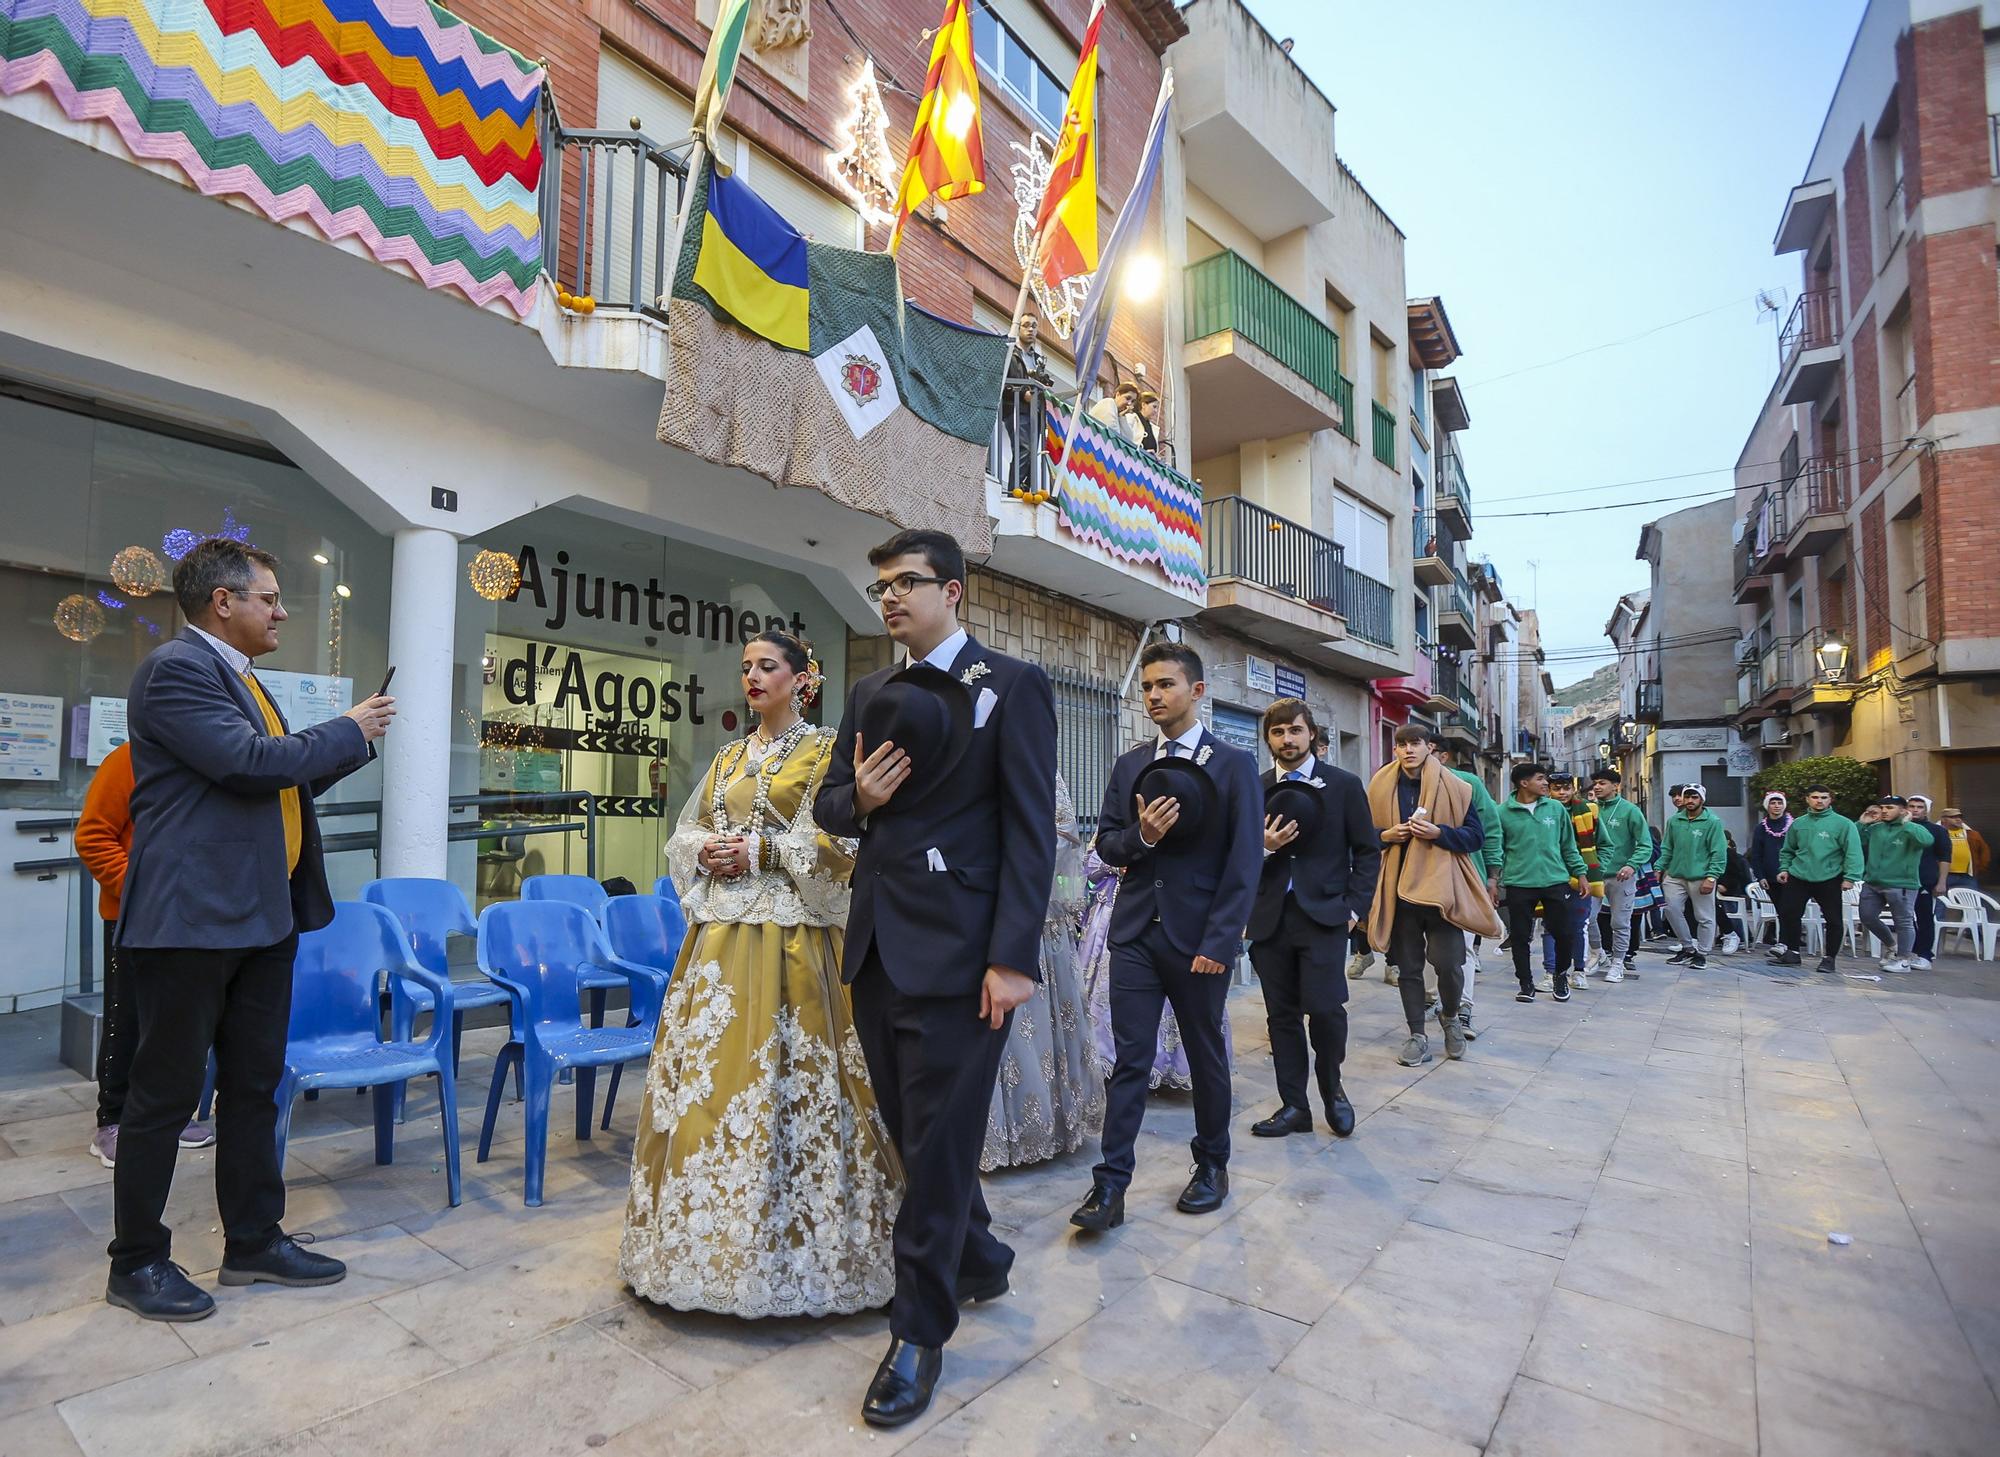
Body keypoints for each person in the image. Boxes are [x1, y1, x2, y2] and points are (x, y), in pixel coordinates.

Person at [107, 538, 392, 1322]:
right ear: (222, 601)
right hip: (190, 920)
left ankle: (254, 1240)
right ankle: (135, 1260)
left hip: (260, 920)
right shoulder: (177, 671)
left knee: (254, 1090)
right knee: (163, 1097)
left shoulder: (243, 680)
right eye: (269, 597)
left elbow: (278, 777)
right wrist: (344, 725)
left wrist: (353, 741)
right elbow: (243, 762)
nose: (282, 609)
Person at [815, 529, 1056, 1429]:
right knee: (920, 1135)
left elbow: (1029, 833)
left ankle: (918, 1331)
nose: (889, 597)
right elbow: (832, 806)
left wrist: (1011, 957)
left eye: (907, 582)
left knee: (942, 1142)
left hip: (964, 959)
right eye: (880, 584)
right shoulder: (870, 691)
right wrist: (863, 801)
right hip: (878, 946)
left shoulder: (1014, 686)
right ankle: (981, 1255)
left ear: (954, 592)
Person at [620, 631, 899, 1317]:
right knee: (708, 1088)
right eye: (745, 667)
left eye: (766, 666)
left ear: (803, 678)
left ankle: (805, 1251)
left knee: (789, 1083)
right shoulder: (727, 755)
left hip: (795, 945)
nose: (752, 676)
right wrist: (706, 848)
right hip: (717, 945)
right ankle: (698, 1249)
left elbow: (844, 842)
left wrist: (763, 849)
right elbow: (681, 832)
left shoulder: (828, 749)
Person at [1073, 643, 1260, 1232]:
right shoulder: (1130, 764)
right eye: (1147, 687)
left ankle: (1212, 1167)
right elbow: (1105, 845)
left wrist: (1221, 941)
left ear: (1196, 692)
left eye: (1165, 686)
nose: (1153, 695)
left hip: (1198, 940)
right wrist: (1142, 838)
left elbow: (1243, 862)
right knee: (1130, 1060)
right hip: (1133, 933)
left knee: (1206, 1057)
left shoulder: (1233, 765)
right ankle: (1110, 1187)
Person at [74, 742, 213, 1168]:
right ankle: (111, 1122)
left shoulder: (206, 758)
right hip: (134, 917)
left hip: (190, 919)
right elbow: (92, 836)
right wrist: (140, 891)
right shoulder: (127, 760)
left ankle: (168, 1117)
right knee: (128, 1021)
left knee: (176, 1027)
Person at [1247, 699, 1378, 1136]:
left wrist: (1355, 909)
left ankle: (1333, 1090)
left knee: (1325, 1010)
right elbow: (1233, 857)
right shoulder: (1253, 787)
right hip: (1269, 919)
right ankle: (1293, 1106)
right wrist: (1263, 846)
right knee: (1280, 1017)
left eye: (1296, 731)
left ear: (1313, 736)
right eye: (1279, 732)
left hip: (1325, 917)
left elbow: (1366, 851)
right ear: (1268, 738)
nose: (1288, 739)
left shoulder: (1342, 785)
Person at [981, 773, 1105, 1170]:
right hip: (975, 910)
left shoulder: (1037, 763)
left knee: (1026, 1023)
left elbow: (1063, 830)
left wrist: (1012, 872)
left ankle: (1036, 1127)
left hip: (1028, 910)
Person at [1367, 725, 1499, 1063]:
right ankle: (1416, 1034)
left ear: (1429, 747)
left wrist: (1438, 833)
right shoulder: (1380, 785)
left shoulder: (1457, 786)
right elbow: (1361, 835)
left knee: (1449, 961)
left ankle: (1451, 1017)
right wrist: (1386, 835)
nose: (1408, 749)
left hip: (1442, 891)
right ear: (1394, 749)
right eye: (1401, 744)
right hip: (1398, 889)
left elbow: (1474, 837)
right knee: (1408, 967)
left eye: (1415, 743)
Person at [1079, 848, 1227, 1090]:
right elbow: (1093, 863)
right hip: (1123, 919)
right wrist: (1118, 864)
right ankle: (1120, 1066)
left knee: (1195, 1024)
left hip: (1180, 924)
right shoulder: (1121, 821)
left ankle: (1171, 1064)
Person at [1491, 763, 1586, 1003]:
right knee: (1521, 936)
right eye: (1541, 779)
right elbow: (1496, 850)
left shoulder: (1555, 809)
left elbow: (1568, 846)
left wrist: (1581, 874)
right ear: (1524, 783)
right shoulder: (1503, 813)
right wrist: (1493, 881)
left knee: (1563, 933)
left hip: (1555, 881)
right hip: (1519, 883)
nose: (1546, 784)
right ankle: (1526, 983)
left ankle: (1560, 975)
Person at [1437, 743, 1503, 1038]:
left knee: (1462, 947)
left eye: (1422, 746)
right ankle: (1431, 1000)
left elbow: (1489, 828)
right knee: (1422, 948)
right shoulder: (1399, 783)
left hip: (1465, 878)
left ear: (1440, 754)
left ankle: (1463, 1009)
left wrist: (1492, 876)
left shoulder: (1469, 783)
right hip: (1418, 882)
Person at [1772, 784, 1862, 974]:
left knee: (1833, 919)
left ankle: (1829, 958)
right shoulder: (1798, 823)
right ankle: (1793, 952)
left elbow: (1853, 852)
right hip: (1799, 875)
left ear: (1830, 800)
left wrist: (1850, 877)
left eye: (1823, 797)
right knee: (1789, 913)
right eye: (1815, 797)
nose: (1819, 801)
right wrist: (1784, 868)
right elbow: (1788, 850)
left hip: (1829, 877)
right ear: (1807, 799)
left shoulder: (1844, 824)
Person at [1857, 796, 1936, 974]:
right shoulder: (1876, 828)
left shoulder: (1912, 828)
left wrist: (1907, 824)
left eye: (1890, 807)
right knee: (1867, 916)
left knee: (1904, 922)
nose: (1884, 811)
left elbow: (1927, 841)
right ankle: (1892, 946)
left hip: (1902, 883)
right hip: (1873, 882)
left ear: (1902, 810)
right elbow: (1856, 839)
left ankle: (1904, 959)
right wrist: (1863, 824)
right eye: (1882, 807)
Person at [1539, 775, 1601, 988]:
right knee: (1549, 926)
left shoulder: (1589, 811)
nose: (1562, 793)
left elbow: (1603, 843)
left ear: (1574, 790)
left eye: (1567, 789)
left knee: (1577, 926)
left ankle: (1579, 971)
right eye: (1557, 789)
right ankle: (1551, 973)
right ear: (1549, 791)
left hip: (1581, 878)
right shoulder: (1540, 812)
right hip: (1549, 876)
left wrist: (1595, 866)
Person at [1589, 768, 1648, 980]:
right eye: (1595, 782)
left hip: (1621, 876)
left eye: (1602, 782)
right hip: (1594, 875)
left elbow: (1645, 844)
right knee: (1587, 919)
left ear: (1616, 786)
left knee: (1620, 922)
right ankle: (1598, 953)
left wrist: (1632, 865)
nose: (1597, 786)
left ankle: (1618, 963)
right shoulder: (1590, 809)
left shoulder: (1630, 810)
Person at [1660, 782, 1727, 968]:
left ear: (1702, 799)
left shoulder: (1712, 822)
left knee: (1704, 916)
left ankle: (1703, 953)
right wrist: (1660, 868)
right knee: (1670, 909)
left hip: (1701, 876)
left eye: (1694, 797)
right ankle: (1688, 947)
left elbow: (1719, 852)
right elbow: (1667, 847)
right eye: (1687, 796)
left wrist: (1712, 877)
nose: (1689, 800)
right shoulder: (1674, 821)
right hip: (1675, 875)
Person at [1905, 796, 1953, 970]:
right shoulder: (1900, 828)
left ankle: (1925, 954)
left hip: (1925, 880)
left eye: (1919, 807)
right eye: (1912, 806)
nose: (1915, 810)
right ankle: (1907, 952)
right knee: (1904, 919)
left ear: (1926, 810)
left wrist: (1942, 882)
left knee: (1924, 917)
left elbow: (1945, 857)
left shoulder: (1937, 831)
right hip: (1901, 880)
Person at [1747, 791, 1793, 949]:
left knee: (1790, 909)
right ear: (1767, 806)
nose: (1776, 806)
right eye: (1773, 803)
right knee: (1781, 909)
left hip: (1792, 875)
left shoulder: (1793, 825)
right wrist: (1760, 876)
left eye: (1780, 803)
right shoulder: (1761, 828)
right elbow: (1756, 854)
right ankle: (1783, 942)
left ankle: (1787, 942)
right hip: (1771, 876)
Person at [1717, 831, 1753, 953]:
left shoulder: (1731, 855)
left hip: (1731, 891)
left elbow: (1736, 874)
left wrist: (1725, 886)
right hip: (1720, 890)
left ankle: (1741, 937)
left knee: (1732, 912)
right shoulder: (1717, 853)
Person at [1940, 807, 1989, 892]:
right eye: (1953, 817)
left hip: (1967, 876)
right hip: (1944, 876)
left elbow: (1984, 852)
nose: (1958, 819)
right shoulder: (1937, 833)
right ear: (1944, 819)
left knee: (1970, 903)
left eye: (1960, 817)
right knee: (1942, 902)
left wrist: (1978, 868)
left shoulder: (1972, 834)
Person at [1135, 390, 1163, 457]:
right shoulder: (1132, 418)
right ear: (1144, 405)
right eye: (1154, 407)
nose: (1156, 411)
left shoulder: (1153, 428)